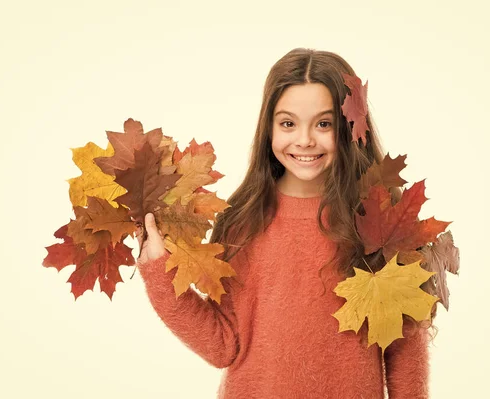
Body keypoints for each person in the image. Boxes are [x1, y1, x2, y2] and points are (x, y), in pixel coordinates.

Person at [135, 47, 432, 399]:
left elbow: (404, 351)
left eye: (324, 124)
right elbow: (223, 345)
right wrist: (159, 271)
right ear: (269, 127)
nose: (305, 139)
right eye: (288, 123)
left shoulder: (382, 222)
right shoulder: (243, 219)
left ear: (351, 127)